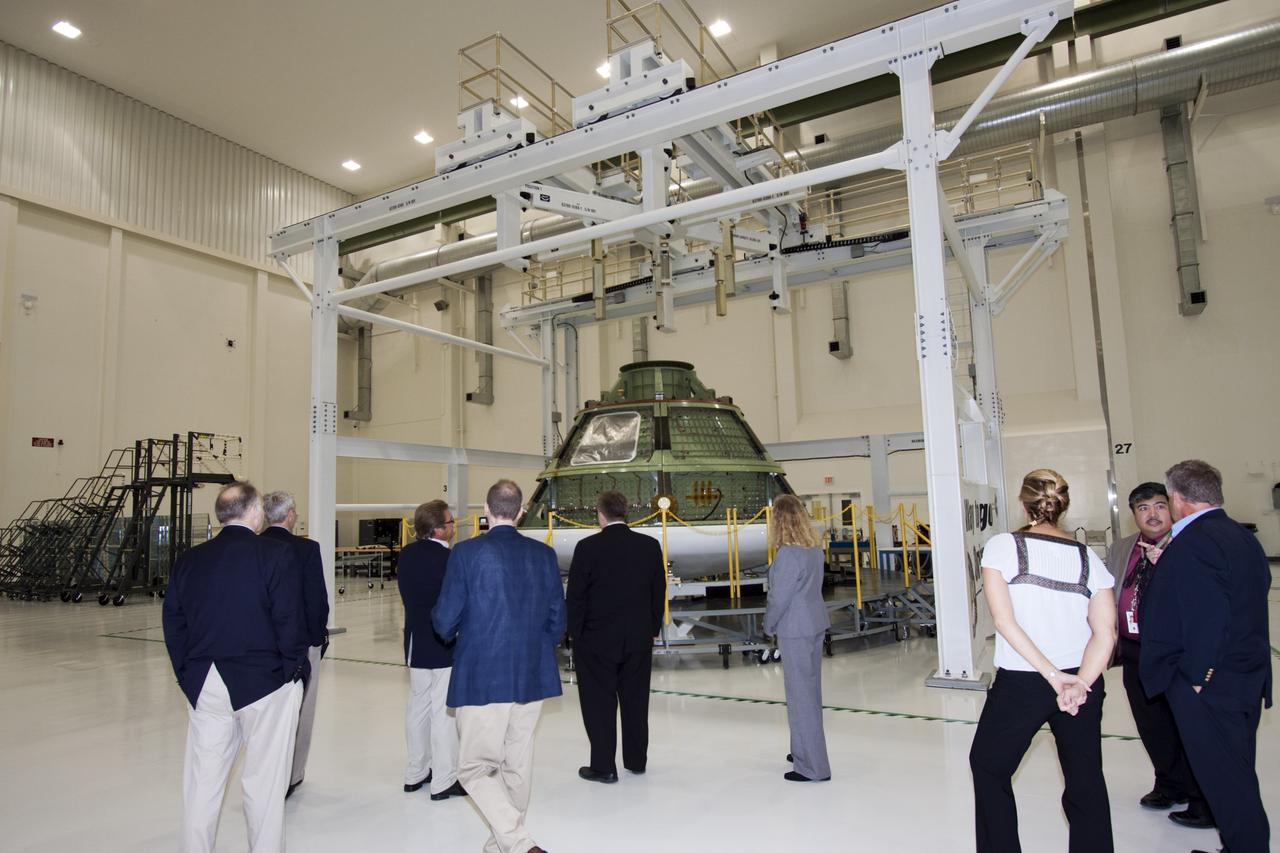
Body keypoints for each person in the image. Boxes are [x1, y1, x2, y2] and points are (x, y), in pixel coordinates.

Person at [969, 469, 1117, 853]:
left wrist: (1053, 677)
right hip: (1082, 685)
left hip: (1024, 681)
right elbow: (1107, 633)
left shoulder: (1004, 546)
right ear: (1062, 505)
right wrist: (1080, 682)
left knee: (989, 767)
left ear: (1023, 503)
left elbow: (1004, 622)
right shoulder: (1089, 558)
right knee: (1085, 778)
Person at [162, 482, 308, 853]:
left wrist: (188, 675)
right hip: (265, 684)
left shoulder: (190, 560)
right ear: (256, 511)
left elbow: (174, 623)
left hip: (205, 682)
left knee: (202, 784)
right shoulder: (275, 555)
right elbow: (289, 619)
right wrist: (292, 672)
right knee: (263, 783)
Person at [1140, 460, 1272, 853]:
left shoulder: (1194, 542)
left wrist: (1199, 675)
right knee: (1236, 770)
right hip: (1246, 674)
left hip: (1212, 684)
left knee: (1226, 780)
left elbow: (1207, 616)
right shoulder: (1240, 535)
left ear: (1177, 499)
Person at [432, 480, 564, 853]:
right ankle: (504, 841)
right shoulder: (544, 555)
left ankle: (519, 843)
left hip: (482, 676)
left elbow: (444, 620)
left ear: (485, 511)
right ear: (521, 512)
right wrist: (534, 647)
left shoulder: (466, 554)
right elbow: (557, 618)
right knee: (517, 762)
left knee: (473, 768)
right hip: (532, 675)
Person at [1106, 482, 1211, 828]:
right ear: (1134, 515)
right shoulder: (1122, 549)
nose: (1152, 514)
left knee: (1187, 724)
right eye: (1143, 508)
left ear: (1172, 509)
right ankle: (1169, 784)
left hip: (1176, 654)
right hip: (1136, 651)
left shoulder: (1188, 547)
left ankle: (1201, 797)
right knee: (1151, 724)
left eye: (1159, 506)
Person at [566, 490, 666, 784]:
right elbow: (658, 592)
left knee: (599, 703)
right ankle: (636, 760)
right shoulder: (649, 546)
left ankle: (603, 766)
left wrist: (575, 635)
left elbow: (576, 598)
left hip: (596, 641)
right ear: (626, 513)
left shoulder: (587, 548)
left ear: (600, 515)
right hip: (637, 639)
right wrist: (651, 630)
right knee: (636, 701)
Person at [259, 490, 330, 799]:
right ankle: (291, 774)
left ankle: (265, 774)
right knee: (301, 711)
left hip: (260, 645)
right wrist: (318, 639)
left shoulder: (252, 547)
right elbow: (316, 600)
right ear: (289, 516)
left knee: (262, 714)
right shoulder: (306, 549)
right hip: (300, 644)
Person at [398, 499, 465, 801]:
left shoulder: (407, 555)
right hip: (444, 640)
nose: (453, 527)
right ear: (438, 529)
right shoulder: (450, 560)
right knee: (444, 711)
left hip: (415, 640)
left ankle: (416, 771)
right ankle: (444, 778)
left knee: (418, 706)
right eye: (450, 523)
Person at [763, 494, 832, 783]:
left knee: (800, 696)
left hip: (795, 629)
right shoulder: (814, 550)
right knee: (810, 693)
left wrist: (768, 625)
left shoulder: (789, 554)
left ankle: (812, 767)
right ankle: (803, 749)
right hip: (814, 624)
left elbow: (779, 597)